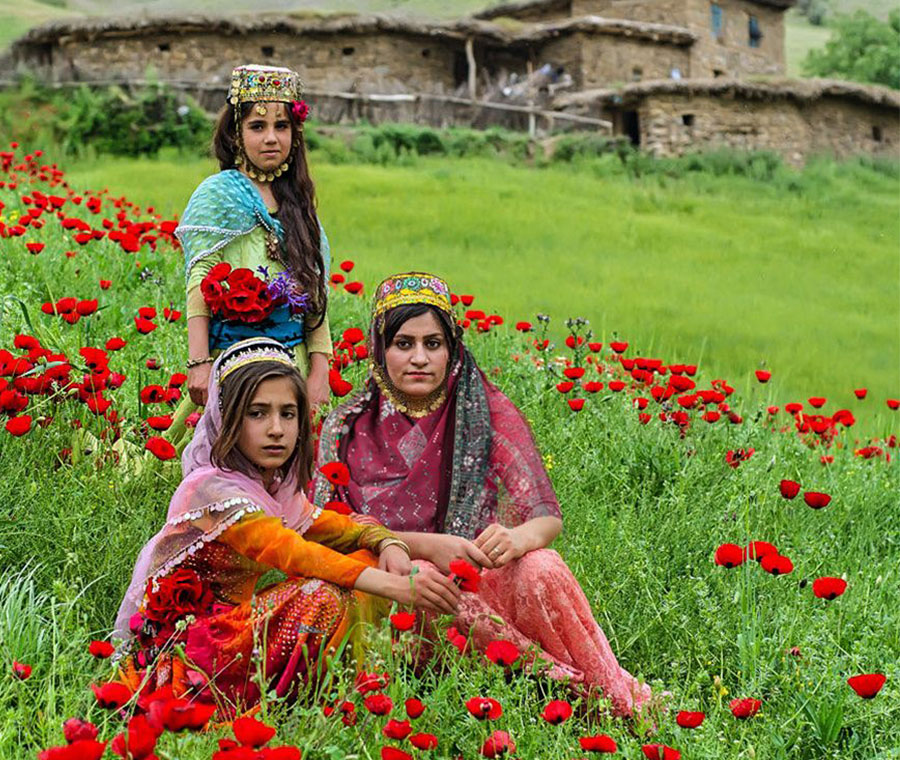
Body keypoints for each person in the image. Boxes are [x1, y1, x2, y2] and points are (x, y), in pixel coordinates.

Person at [314, 272, 657, 719]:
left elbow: (545, 518)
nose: (419, 358)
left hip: (479, 572)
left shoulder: (483, 410)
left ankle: (614, 696)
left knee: (542, 566)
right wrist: (421, 544)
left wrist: (518, 541)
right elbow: (324, 528)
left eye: (433, 344)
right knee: (419, 577)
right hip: (393, 585)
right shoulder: (346, 427)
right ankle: (555, 683)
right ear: (380, 349)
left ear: (451, 348)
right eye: (404, 344)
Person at [112, 337, 461, 712]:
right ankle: (309, 700)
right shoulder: (210, 488)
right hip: (189, 651)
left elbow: (334, 527)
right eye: (257, 413)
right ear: (227, 418)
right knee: (319, 596)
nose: (276, 428)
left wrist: (388, 543)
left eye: (288, 413)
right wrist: (397, 585)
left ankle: (353, 688)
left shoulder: (274, 486)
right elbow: (290, 551)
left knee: (363, 561)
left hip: (232, 634)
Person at [166, 64, 333, 451]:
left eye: (282, 127)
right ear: (236, 134)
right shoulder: (218, 194)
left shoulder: (299, 204)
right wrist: (198, 363)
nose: (271, 138)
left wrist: (321, 371)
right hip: (233, 363)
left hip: (294, 365)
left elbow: (315, 293)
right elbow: (200, 277)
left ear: (296, 133)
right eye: (257, 126)